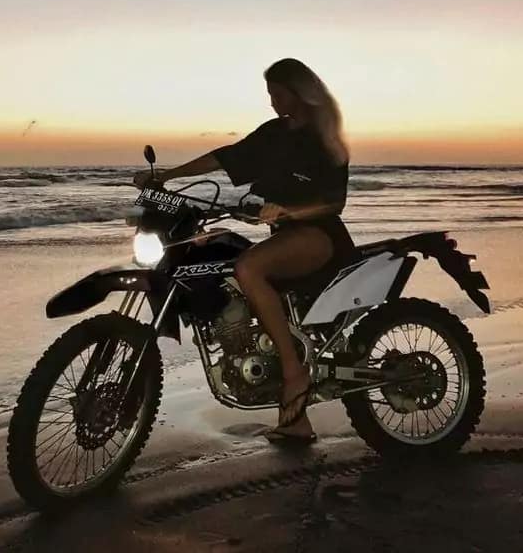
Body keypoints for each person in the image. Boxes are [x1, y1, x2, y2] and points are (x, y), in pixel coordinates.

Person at [132, 57, 356, 442]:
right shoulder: (274, 133)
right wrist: (166, 176)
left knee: (248, 269)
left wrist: (290, 210)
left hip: (319, 235)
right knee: (223, 256)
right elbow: (225, 156)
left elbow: (334, 202)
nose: (272, 101)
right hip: (286, 235)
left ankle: (293, 375)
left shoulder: (323, 138)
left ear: (299, 93)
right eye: (269, 95)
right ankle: (295, 421)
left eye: (277, 93)